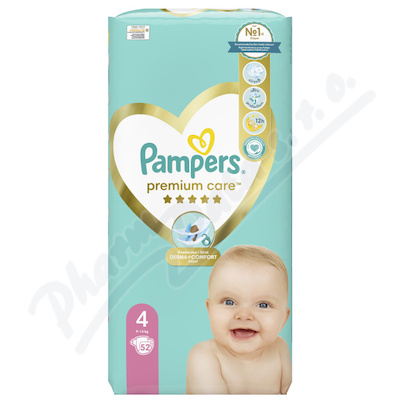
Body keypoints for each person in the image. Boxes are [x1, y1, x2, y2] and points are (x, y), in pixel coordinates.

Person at [186, 245, 291, 394]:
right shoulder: (204, 357)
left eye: (263, 305)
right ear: (209, 309)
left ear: (284, 319)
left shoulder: (280, 348)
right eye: (229, 302)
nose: (244, 315)